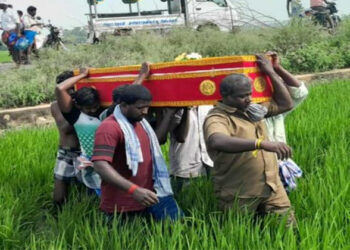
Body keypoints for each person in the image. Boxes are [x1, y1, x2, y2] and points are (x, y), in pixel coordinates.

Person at [203, 54, 296, 227]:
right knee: (239, 234)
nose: (248, 99)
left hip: (272, 186)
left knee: (288, 229)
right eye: (241, 96)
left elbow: (286, 104)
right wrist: (260, 143)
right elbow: (217, 141)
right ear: (225, 95)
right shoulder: (217, 117)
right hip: (240, 191)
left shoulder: (253, 110)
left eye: (249, 94)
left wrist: (271, 72)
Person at [92, 84, 183, 221]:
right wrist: (133, 190)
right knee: (130, 240)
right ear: (124, 105)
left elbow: (155, 142)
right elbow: (100, 165)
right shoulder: (109, 128)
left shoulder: (141, 123)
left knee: (179, 228)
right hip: (123, 203)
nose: (145, 111)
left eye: (147, 107)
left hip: (153, 193)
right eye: (140, 108)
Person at [264, 52, 308, 192]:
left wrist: (277, 68)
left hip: (278, 165)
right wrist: (272, 72)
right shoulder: (251, 112)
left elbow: (300, 92)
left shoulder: (277, 111)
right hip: (258, 169)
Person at [55, 68, 102, 195]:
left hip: (93, 154)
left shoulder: (94, 108)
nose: (92, 110)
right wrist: (82, 75)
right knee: (61, 180)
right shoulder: (65, 109)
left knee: (94, 186)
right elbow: (65, 128)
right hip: (72, 151)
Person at [51, 71, 81, 206]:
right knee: (60, 195)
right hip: (67, 150)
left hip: (85, 151)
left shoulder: (85, 102)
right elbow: (65, 128)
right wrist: (79, 110)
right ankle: (57, 217)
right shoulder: (56, 105)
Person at [169, 105, 213, 195]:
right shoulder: (177, 108)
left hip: (209, 162)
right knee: (184, 200)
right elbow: (181, 136)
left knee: (207, 199)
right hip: (186, 165)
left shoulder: (207, 106)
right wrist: (187, 109)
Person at [0, 0, 21, 65]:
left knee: (14, 47)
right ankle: (16, 61)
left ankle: (18, 62)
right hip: (5, 32)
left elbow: (18, 23)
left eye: (0, 4)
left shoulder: (12, 11)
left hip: (13, 32)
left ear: (4, 4)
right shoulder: (2, 13)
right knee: (10, 47)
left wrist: (18, 33)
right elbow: (3, 22)